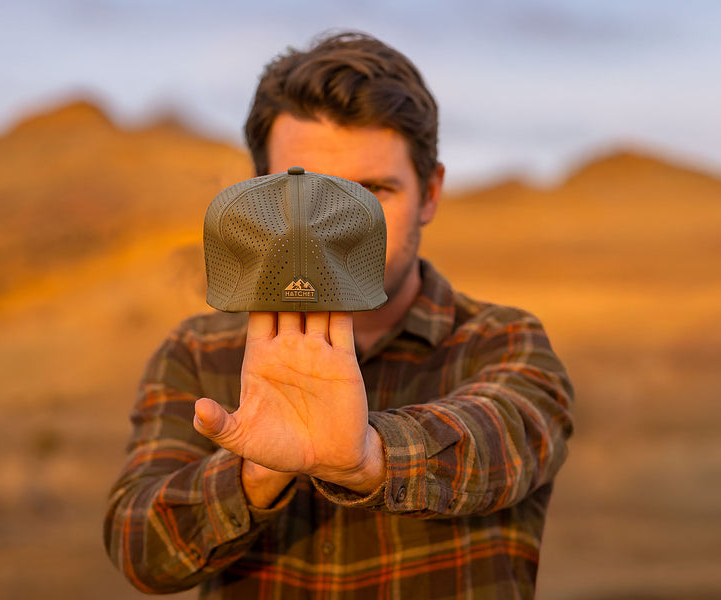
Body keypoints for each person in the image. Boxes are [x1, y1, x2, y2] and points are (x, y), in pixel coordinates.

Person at [104, 31, 573, 599]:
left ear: (430, 192)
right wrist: (255, 473)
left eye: (373, 191)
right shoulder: (199, 353)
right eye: (311, 195)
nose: (339, 229)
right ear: (259, 195)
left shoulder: (502, 342)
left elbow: (509, 440)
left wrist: (367, 457)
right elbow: (141, 549)